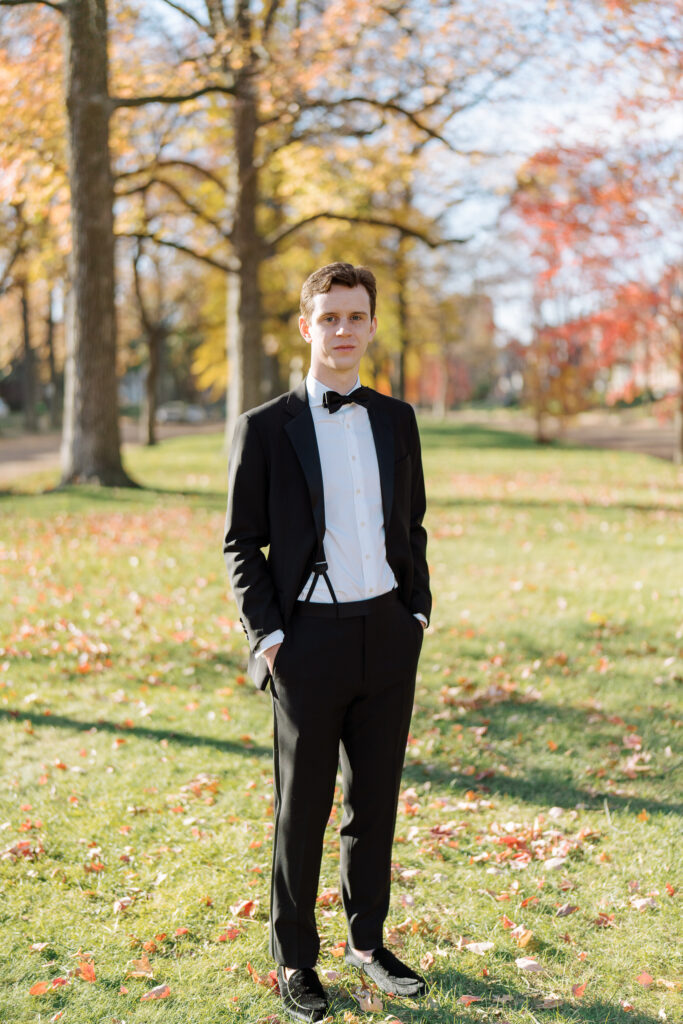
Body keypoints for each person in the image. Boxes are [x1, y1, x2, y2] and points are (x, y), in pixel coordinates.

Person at [223, 262, 431, 1022]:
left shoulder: (395, 418)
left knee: (373, 803)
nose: (343, 331)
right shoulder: (264, 427)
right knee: (300, 808)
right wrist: (271, 637)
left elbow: (409, 525)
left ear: (371, 325)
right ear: (307, 327)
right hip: (304, 641)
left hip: (386, 632)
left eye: (356, 317)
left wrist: (416, 613)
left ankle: (368, 944)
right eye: (330, 318)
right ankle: (295, 961)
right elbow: (241, 544)